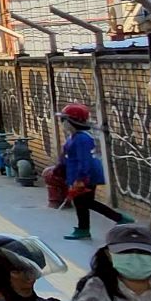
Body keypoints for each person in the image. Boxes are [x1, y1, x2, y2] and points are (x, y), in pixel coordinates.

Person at [57, 103, 128, 243]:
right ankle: (84, 228)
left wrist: (81, 179)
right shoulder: (74, 137)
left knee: (85, 202)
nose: (62, 123)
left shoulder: (82, 139)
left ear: (72, 122)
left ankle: (118, 219)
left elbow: (84, 161)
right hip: (78, 175)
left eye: (64, 120)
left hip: (85, 177)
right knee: (83, 203)